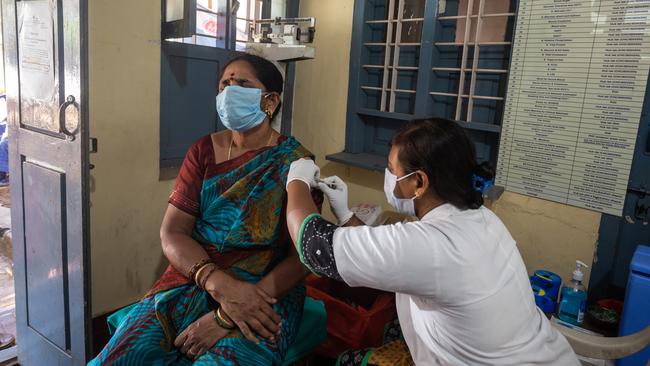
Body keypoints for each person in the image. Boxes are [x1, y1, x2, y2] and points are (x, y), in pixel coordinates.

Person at [285, 118, 579, 365]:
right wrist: (347, 215)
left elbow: (314, 246)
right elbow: (394, 264)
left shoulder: (433, 244)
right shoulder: (480, 219)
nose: (388, 177)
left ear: (419, 183)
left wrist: (296, 179)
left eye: (392, 170)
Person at [91, 54, 321, 365]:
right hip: (196, 275)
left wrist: (227, 315)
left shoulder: (296, 162)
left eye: (242, 84)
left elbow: (303, 257)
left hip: (265, 290)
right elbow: (173, 232)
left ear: (270, 100)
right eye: (224, 83)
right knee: (122, 357)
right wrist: (218, 283)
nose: (229, 91)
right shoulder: (203, 151)